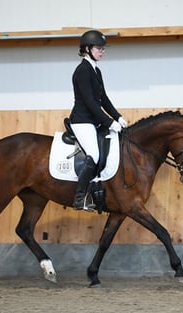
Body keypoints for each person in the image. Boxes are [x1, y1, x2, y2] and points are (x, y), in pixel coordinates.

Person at [69, 29, 128, 210]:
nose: (102, 52)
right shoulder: (82, 71)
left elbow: (104, 100)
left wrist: (118, 116)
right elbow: (90, 103)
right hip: (82, 120)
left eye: (103, 49)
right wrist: (110, 122)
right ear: (87, 49)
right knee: (93, 154)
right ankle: (79, 198)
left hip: (92, 120)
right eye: (98, 48)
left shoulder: (96, 71)